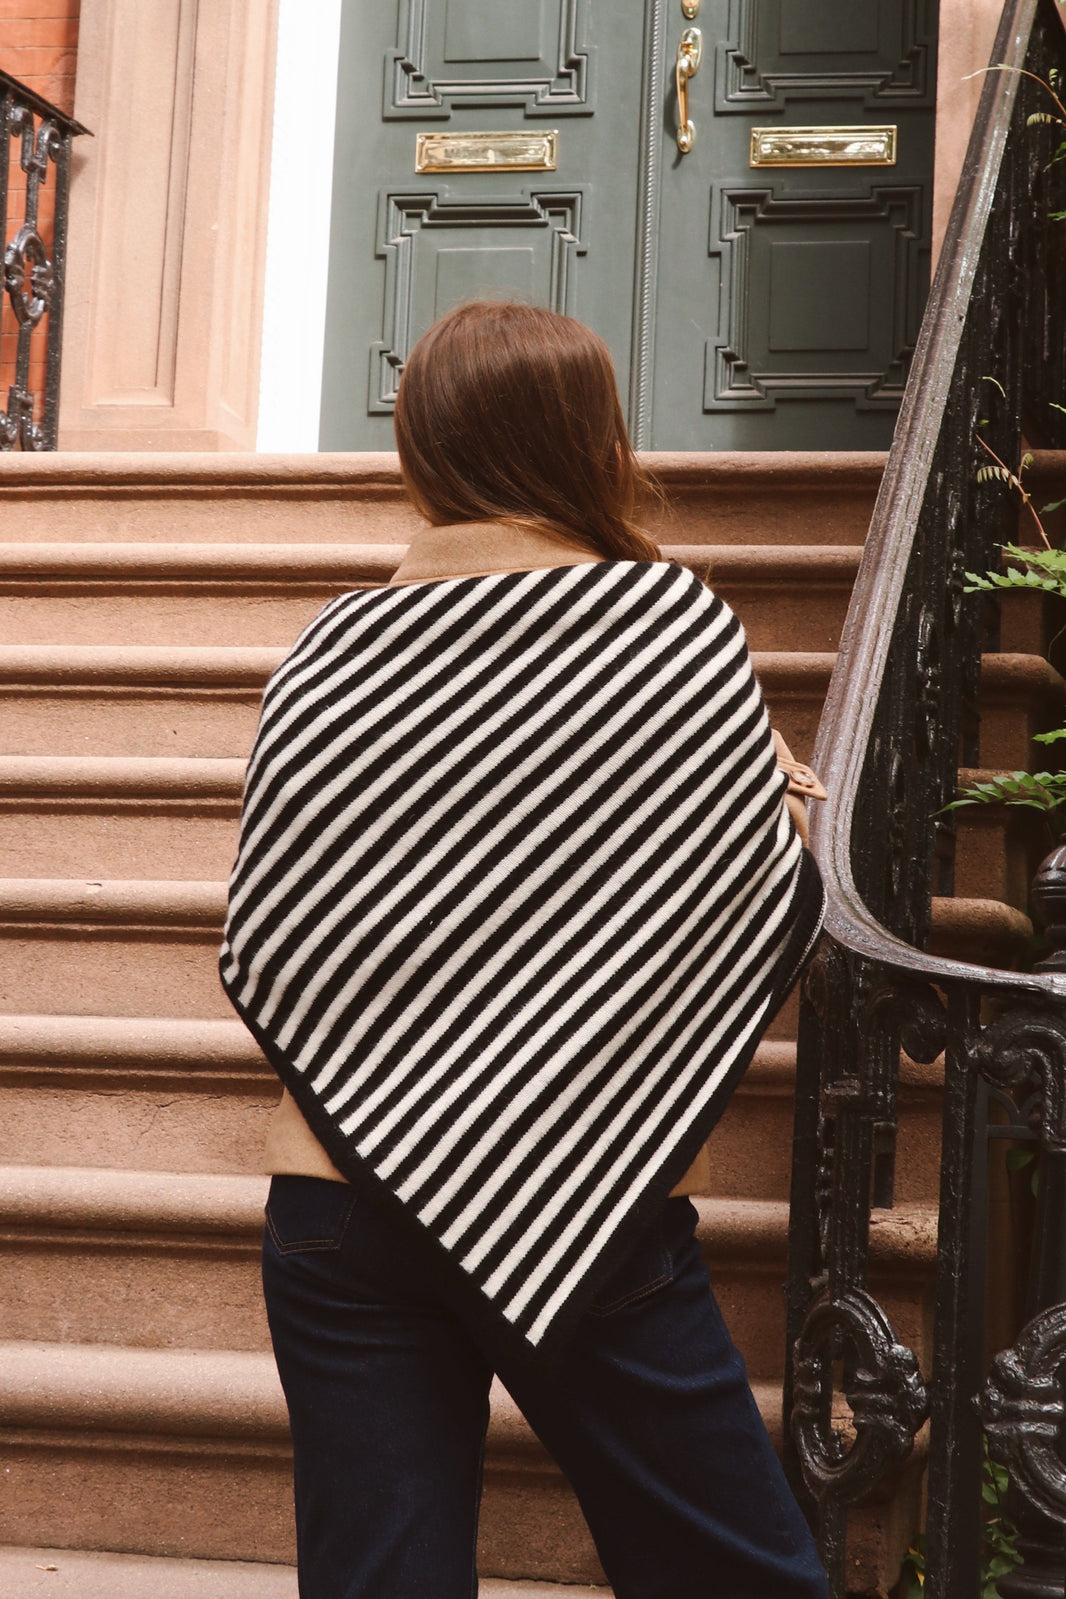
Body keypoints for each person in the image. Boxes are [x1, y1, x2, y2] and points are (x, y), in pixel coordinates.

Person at [220, 301, 830, 1599]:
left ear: (419, 444)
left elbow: (281, 920)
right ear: (591, 440)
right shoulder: (669, 628)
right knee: (736, 1575)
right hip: (594, 1192)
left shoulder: (328, 653)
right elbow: (755, 896)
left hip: (340, 1196)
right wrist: (767, 805)